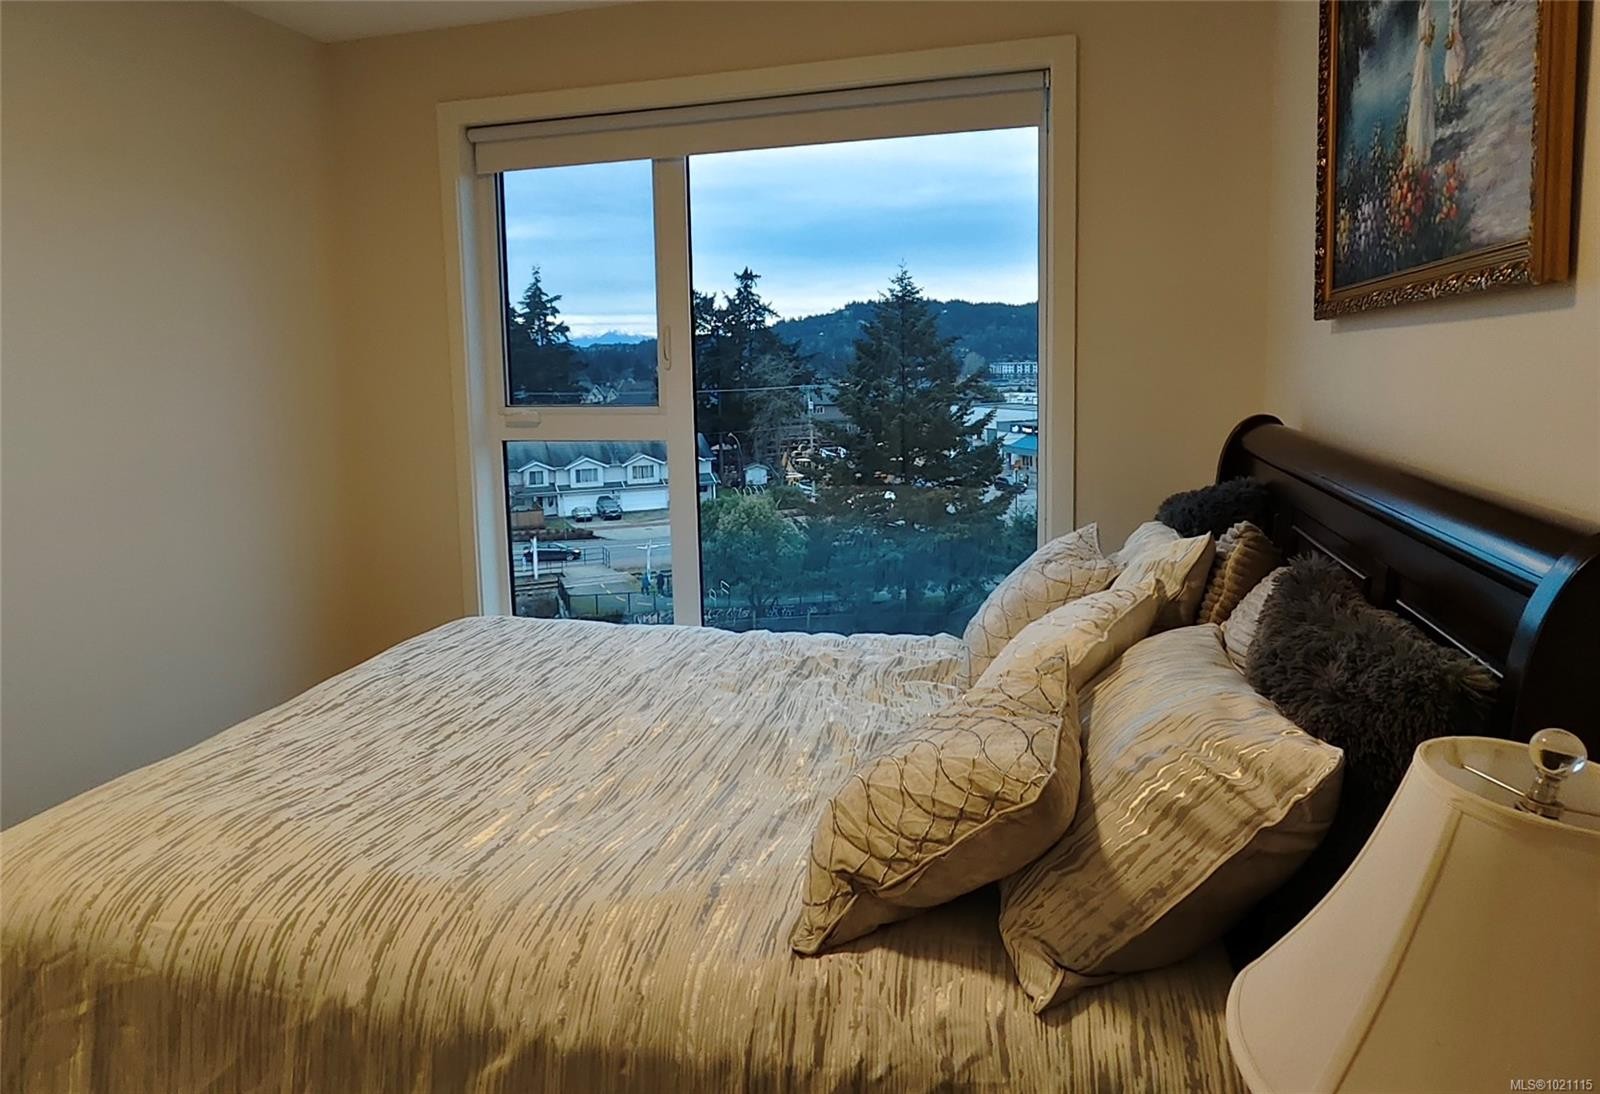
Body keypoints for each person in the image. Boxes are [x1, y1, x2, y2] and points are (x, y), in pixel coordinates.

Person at [1405, 2, 1437, 165]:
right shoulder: (1421, 5)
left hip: (1425, 51)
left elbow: (1431, 35)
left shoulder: (1429, 5)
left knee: (1423, 93)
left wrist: (1427, 37)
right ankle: (1415, 145)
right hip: (1420, 51)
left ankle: (1423, 146)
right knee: (1417, 94)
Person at [1443, 0, 1467, 109]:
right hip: (1453, 46)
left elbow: (1455, 11)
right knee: (1453, 75)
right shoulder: (1452, 16)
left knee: (1456, 73)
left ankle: (1456, 100)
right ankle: (1453, 101)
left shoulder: (1454, 14)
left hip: (1455, 44)